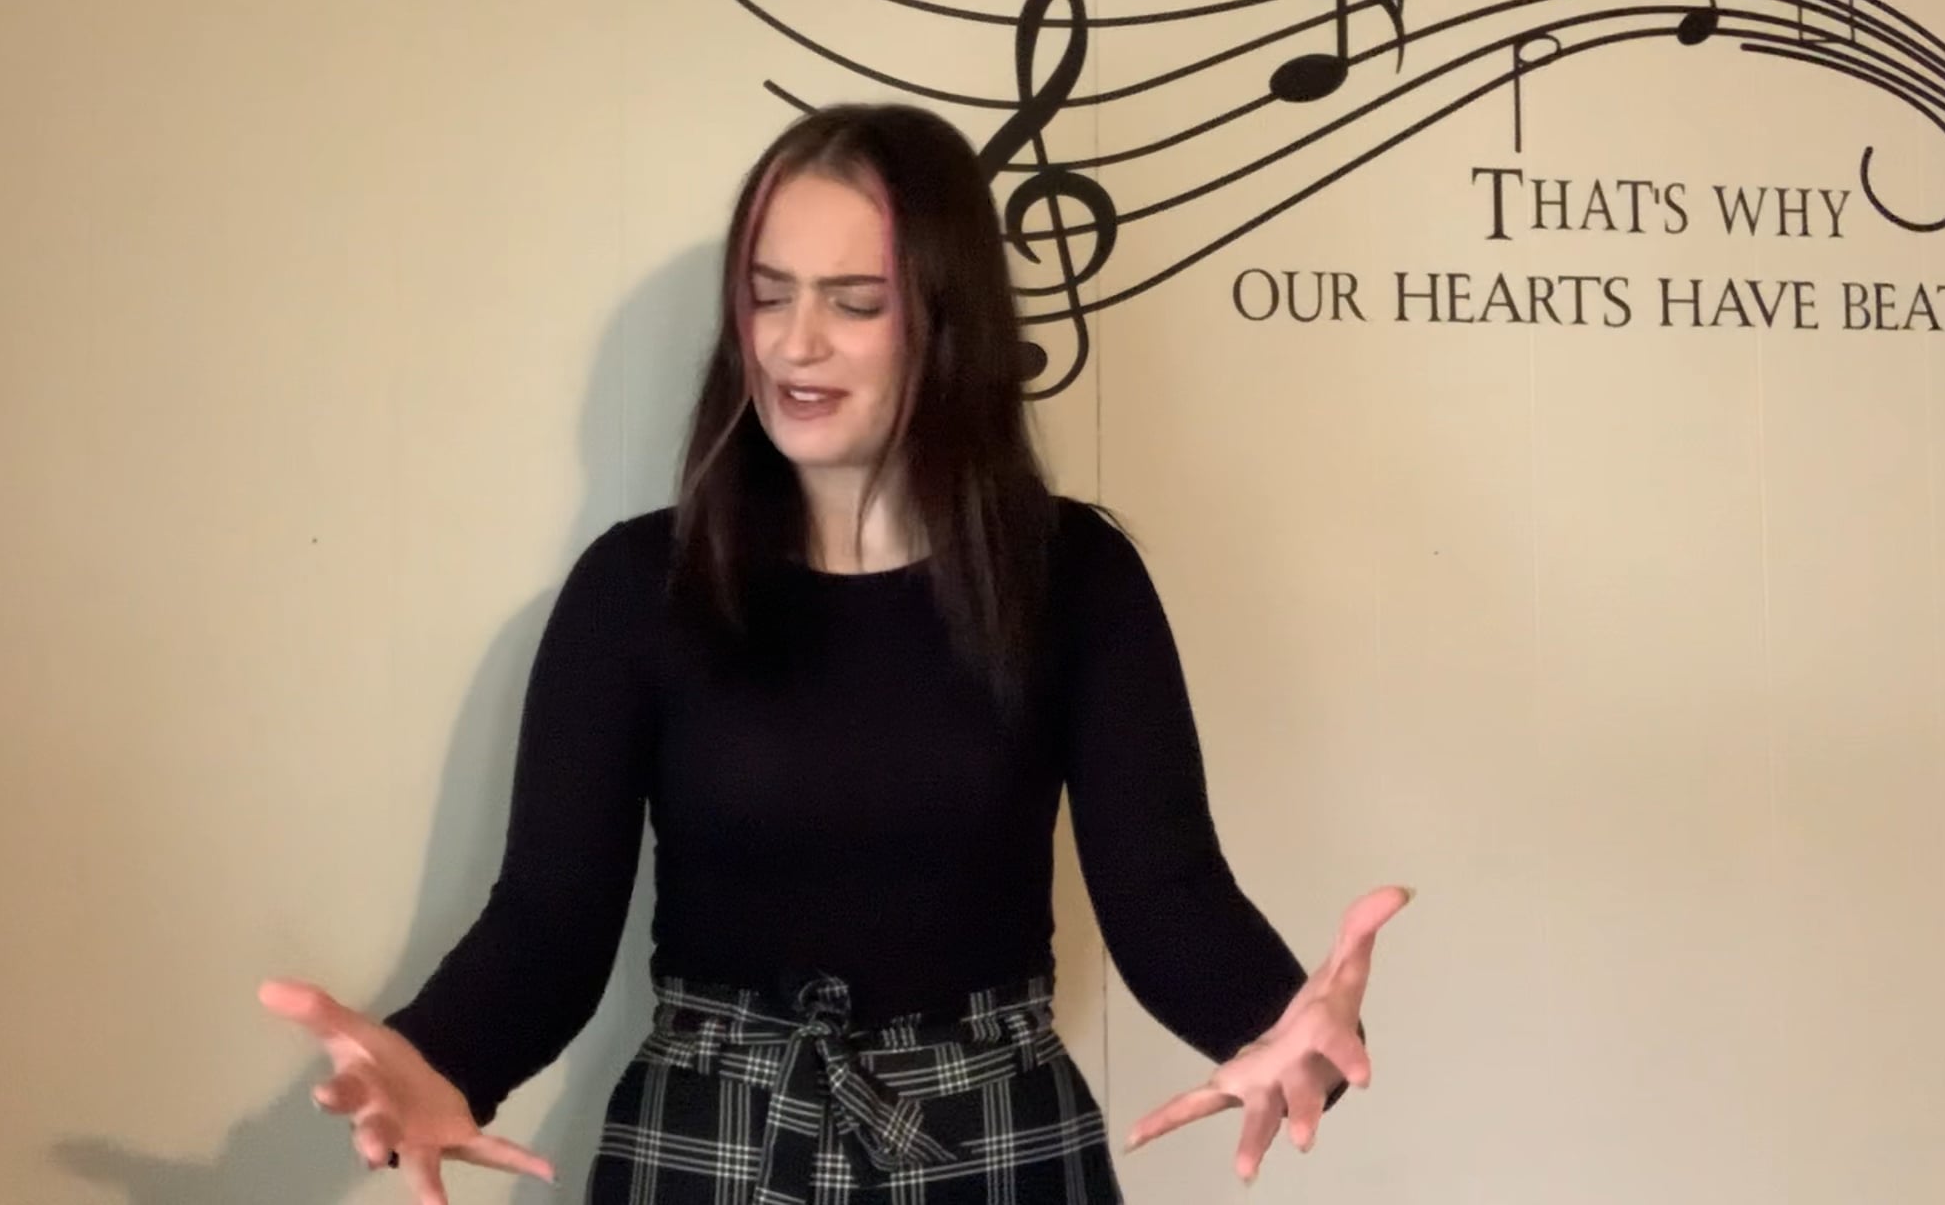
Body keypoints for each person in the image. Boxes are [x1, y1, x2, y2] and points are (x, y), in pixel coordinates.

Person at [258, 102, 1411, 1204]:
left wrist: (1287, 1029)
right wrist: (439, 1056)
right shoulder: (636, 588)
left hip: (994, 1138)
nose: (794, 344)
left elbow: (1168, 897)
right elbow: (547, 924)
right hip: (708, 1140)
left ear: (950, 321)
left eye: (856, 303)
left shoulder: (1075, 578)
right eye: (768, 296)